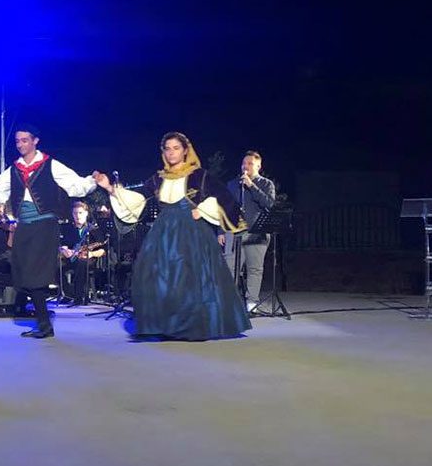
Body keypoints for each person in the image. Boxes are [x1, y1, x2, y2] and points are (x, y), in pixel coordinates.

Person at [99, 131, 250, 341]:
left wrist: (203, 209)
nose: (171, 153)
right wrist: (110, 188)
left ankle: (191, 326)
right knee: (153, 272)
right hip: (164, 231)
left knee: (188, 276)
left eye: (176, 148)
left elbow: (225, 197)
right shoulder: (159, 178)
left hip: (191, 230)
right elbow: (138, 198)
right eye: (167, 149)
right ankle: (165, 324)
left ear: (185, 150)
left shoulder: (199, 175)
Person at [0, 124, 100, 339]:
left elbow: (75, 185)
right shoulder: (14, 169)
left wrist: (93, 181)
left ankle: (44, 325)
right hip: (24, 226)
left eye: (24, 140)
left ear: (35, 141)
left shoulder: (50, 164)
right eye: (17, 141)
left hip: (45, 224)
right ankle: (43, 321)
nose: (20, 144)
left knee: (35, 273)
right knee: (21, 272)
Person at [223, 151, 277, 311]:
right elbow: (224, 208)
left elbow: (269, 204)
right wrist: (221, 231)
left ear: (258, 166)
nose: (245, 166)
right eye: (244, 163)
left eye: (250, 164)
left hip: (257, 233)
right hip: (234, 232)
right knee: (230, 267)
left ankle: (251, 302)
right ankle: (229, 303)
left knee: (254, 269)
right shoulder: (233, 184)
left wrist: (251, 186)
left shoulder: (266, 184)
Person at [59, 201, 107, 305]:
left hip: (88, 259)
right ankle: (69, 293)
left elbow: (103, 250)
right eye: (75, 213)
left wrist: (92, 254)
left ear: (86, 213)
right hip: (71, 257)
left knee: (81, 263)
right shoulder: (68, 229)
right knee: (54, 266)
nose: (77, 216)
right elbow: (62, 244)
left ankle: (79, 297)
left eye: (80, 213)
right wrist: (64, 250)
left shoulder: (94, 229)